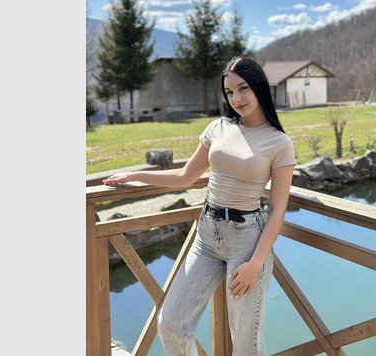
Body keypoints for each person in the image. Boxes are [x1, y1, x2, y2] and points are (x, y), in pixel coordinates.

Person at [103, 56, 296, 355]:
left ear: (259, 86)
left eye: (243, 88)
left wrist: (255, 264)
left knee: (245, 342)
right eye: (229, 92)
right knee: (171, 323)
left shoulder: (279, 143)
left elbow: (277, 210)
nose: (236, 99)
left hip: (246, 242)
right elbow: (185, 176)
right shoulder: (218, 128)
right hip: (206, 235)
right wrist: (135, 175)